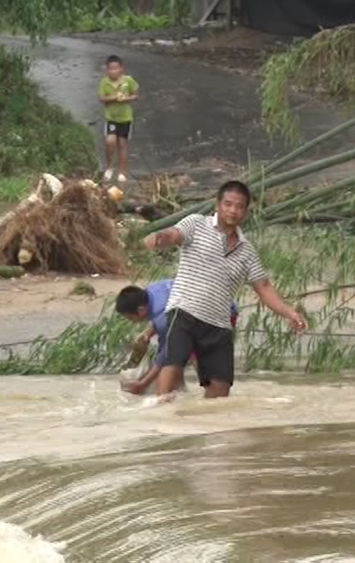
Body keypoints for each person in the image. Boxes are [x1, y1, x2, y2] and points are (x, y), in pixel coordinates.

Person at [143, 180, 308, 400]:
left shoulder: (246, 251)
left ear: (246, 211)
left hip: (218, 324)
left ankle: (208, 427)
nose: (233, 210)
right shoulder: (196, 224)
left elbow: (264, 286)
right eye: (228, 204)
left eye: (239, 206)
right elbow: (174, 235)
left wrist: (290, 313)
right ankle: (159, 413)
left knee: (221, 389)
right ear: (218, 204)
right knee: (174, 362)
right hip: (184, 312)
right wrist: (159, 238)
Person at [115, 280, 238, 395]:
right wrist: (149, 332)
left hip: (220, 312)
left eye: (130, 318)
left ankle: (213, 394)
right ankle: (180, 391)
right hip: (209, 303)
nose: (131, 322)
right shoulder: (152, 290)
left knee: (197, 356)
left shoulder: (163, 318)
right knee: (184, 354)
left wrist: (143, 383)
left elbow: (167, 354)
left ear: (141, 310)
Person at [97, 55, 139, 184]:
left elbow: (136, 95)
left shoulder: (128, 81)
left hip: (125, 117)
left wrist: (127, 98)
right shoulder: (104, 82)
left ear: (121, 68)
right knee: (110, 141)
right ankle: (109, 167)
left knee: (122, 144)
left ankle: (122, 171)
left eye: (116, 68)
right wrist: (114, 98)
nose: (113, 71)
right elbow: (102, 99)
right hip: (111, 117)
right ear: (107, 70)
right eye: (111, 69)